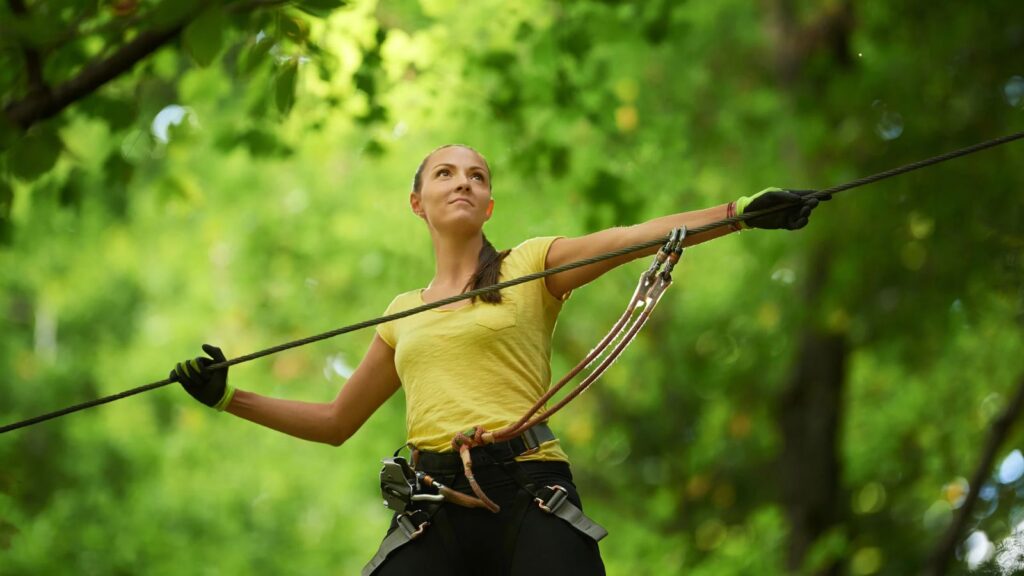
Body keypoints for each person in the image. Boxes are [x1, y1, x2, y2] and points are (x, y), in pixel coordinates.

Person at [171, 144, 826, 575]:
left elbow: (631, 239)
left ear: (489, 205)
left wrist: (740, 213)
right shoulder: (402, 311)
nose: (463, 182)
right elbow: (337, 421)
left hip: (529, 494)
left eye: (477, 176)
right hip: (431, 508)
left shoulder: (529, 264)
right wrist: (229, 398)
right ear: (417, 203)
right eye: (445, 174)